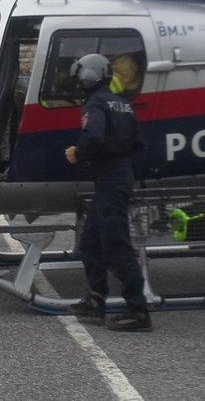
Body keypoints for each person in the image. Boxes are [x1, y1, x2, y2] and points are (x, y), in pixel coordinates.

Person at [64, 53, 150, 332]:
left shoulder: (96, 104)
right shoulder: (123, 104)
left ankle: (138, 310)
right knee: (90, 243)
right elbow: (138, 142)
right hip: (117, 176)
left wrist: (78, 152)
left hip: (111, 180)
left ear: (87, 76)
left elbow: (94, 136)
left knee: (116, 245)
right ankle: (95, 299)